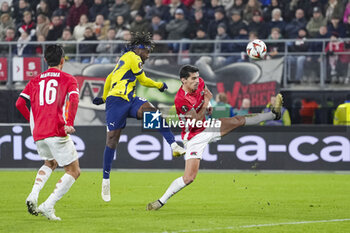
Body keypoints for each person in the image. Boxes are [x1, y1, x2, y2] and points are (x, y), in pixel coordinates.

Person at [146, 65, 283, 210]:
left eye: (197, 77)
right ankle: (160, 202)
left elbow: (206, 93)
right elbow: (196, 120)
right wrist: (206, 102)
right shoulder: (181, 99)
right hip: (193, 136)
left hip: (207, 127)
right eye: (193, 79)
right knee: (189, 178)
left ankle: (273, 114)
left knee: (237, 120)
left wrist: (209, 104)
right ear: (183, 80)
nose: (197, 81)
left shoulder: (200, 83)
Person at [92, 32, 185, 202]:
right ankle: (105, 180)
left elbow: (109, 78)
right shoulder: (133, 57)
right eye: (147, 51)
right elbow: (142, 80)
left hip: (131, 99)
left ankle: (174, 145)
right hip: (116, 101)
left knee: (154, 113)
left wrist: (103, 96)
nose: (148, 56)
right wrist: (158, 85)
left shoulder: (125, 59)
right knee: (112, 140)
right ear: (139, 49)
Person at [15, 45, 80, 220]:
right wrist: (69, 123)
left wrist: (34, 119)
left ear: (45, 60)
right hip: (56, 129)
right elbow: (73, 99)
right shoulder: (68, 78)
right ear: (62, 60)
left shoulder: (34, 81)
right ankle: (48, 205)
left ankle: (33, 195)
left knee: (50, 163)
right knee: (73, 171)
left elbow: (20, 104)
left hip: (39, 133)